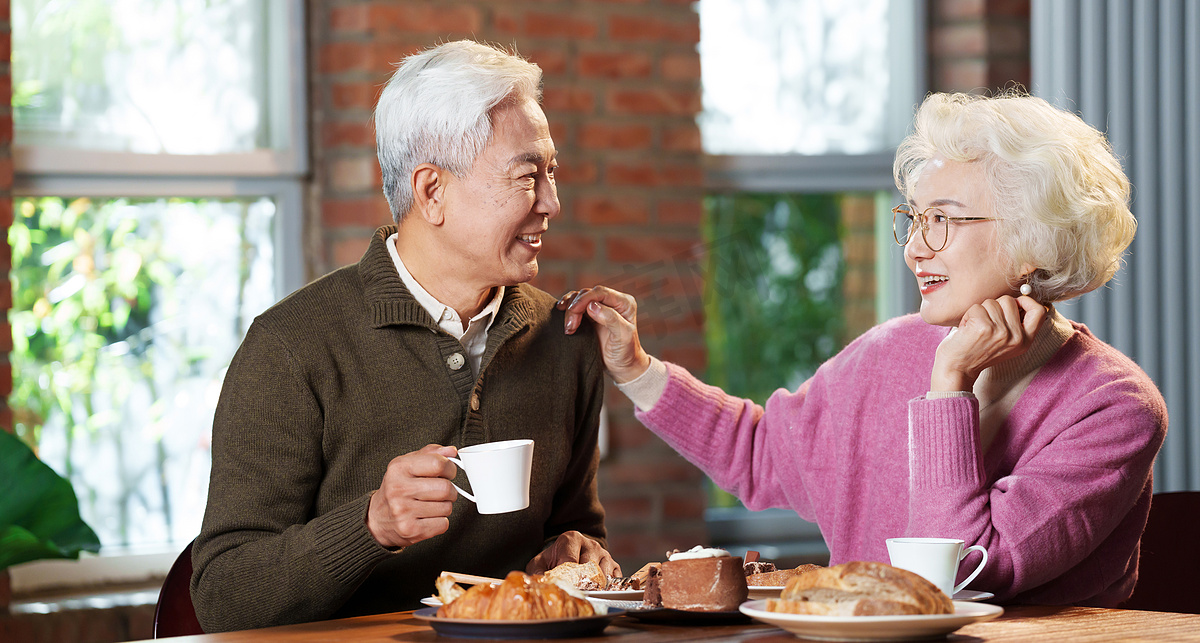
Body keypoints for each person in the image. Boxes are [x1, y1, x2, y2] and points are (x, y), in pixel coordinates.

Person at [560, 91, 1167, 607]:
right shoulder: (888, 351)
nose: (915, 249)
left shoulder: (1114, 407)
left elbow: (961, 575)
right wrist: (635, 369)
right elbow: (761, 456)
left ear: (1036, 238)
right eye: (916, 218)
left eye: (944, 221)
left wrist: (948, 386)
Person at [192, 40, 618, 632]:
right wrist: (370, 525)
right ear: (432, 191)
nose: (552, 201)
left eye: (551, 171)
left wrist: (569, 554)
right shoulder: (290, 347)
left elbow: (573, 534)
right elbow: (223, 596)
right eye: (527, 175)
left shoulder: (565, 339)